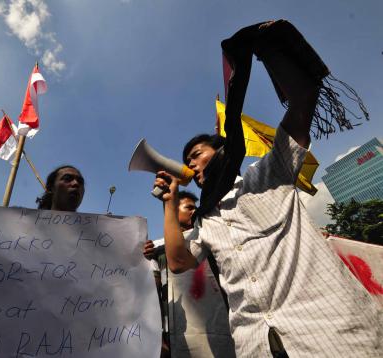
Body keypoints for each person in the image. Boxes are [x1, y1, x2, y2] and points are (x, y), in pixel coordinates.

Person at [153, 23, 382, 357]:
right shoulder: (205, 220)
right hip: (257, 345)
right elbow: (176, 262)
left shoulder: (268, 174)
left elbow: (303, 98)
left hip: (335, 332)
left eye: (196, 155)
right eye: (186, 160)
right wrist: (170, 201)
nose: (191, 164)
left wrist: (265, 48)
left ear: (222, 151)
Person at [144, 191, 235, 358]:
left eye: (195, 208)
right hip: (174, 333)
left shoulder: (208, 239)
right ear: (171, 210)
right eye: (189, 207)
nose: (194, 211)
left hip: (220, 328)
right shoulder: (157, 248)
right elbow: (152, 292)